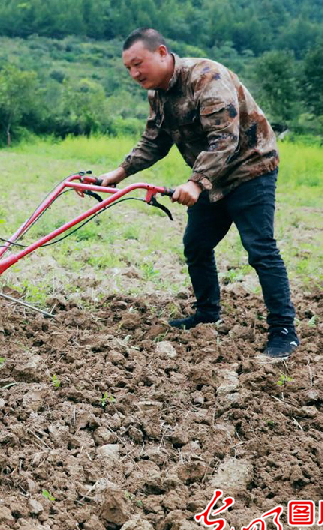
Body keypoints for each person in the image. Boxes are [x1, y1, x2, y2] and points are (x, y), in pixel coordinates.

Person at [96, 28, 299, 359]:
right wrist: (119, 173)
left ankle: (284, 331)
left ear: (161, 53)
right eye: (128, 69)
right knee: (197, 245)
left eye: (138, 64)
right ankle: (208, 314)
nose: (134, 74)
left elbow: (224, 138)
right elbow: (154, 142)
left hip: (250, 169)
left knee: (260, 249)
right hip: (210, 179)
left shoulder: (207, 78)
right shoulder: (158, 95)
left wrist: (195, 182)